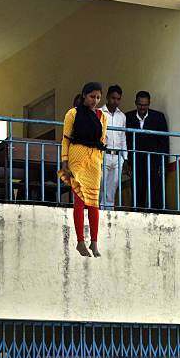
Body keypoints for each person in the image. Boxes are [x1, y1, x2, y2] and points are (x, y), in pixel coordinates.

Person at [58, 82, 107, 258]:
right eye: (92, 96)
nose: (95, 100)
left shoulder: (102, 116)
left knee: (94, 202)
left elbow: (101, 140)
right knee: (79, 200)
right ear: (84, 96)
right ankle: (80, 242)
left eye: (98, 97)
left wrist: (99, 163)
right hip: (76, 159)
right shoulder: (73, 113)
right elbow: (66, 139)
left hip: (94, 161)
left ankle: (94, 242)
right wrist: (65, 162)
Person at [125, 91, 169, 210]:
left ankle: (158, 216)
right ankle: (136, 214)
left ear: (149, 103)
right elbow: (125, 141)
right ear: (135, 103)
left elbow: (164, 141)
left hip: (154, 161)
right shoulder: (127, 117)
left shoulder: (158, 117)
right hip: (136, 161)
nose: (142, 107)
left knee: (156, 190)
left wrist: (164, 163)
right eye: (140, 104)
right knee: (137, 189)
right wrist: (127, 162)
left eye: (145, 105)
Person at [100, 85, 128, 208]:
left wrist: (125, 158)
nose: (115, 101)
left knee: (113, 186)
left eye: (118, 99)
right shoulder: (99, 113)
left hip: (117, 156)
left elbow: (123, 138)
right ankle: (98, 212)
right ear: (107, 97)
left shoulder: (122, 116)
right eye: (113, 98)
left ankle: (109, 212)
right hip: (103, 154)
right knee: (101, 184)